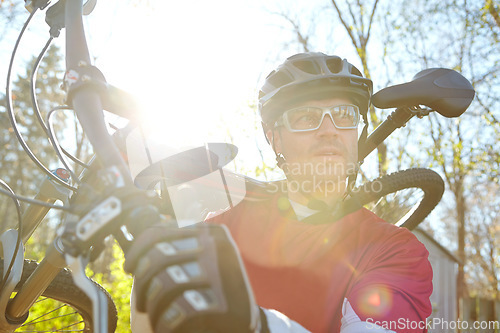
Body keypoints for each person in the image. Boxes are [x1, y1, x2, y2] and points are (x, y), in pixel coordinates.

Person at [128, 52, 433, 333]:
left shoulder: (395, 250)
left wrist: (251, 322)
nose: (329, 130)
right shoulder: (216, 233)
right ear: (275, 140)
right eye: (306, 118)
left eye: (344, 114)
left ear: (357, 132)